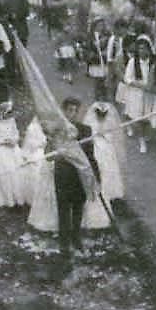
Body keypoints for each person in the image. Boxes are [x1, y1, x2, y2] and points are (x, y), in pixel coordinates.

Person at [53, 98, 99, 256]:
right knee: (64, 210)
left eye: (75, 111)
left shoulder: (85, 130)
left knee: (78, 209)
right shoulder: (57, 130)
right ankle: (64, 244)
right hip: (63, 176)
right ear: (64, 111)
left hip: (80, 176)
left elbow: (90, 155)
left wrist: (96, 177)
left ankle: (76, 238)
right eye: (69, 110)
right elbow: (48, 155)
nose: (72, 114)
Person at [83, 100, 125, 204]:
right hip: (96, 147)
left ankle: (109, 192)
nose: (101, 117)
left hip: (107, 148)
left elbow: (113, 136)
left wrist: (105, 136)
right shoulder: (91, 122)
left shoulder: (109, 122)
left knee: (109, 168)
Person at [0, 102, 24, 209]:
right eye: (8, 113)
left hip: (12, 150)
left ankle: (16, 199)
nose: (10, 115)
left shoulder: (12, 122)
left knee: (15, 173)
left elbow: (16, 134)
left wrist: (14, 140)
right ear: (2, 112)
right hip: (0, 150)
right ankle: (3, 200)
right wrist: (3, 141)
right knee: (4, 173)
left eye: (11, 113)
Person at [120, 36, 155, 155]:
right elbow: (127, 78)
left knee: (148, 117)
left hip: (149, 94)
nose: (142, 51)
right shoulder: (132, 62)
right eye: (140, 48)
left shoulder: (153, 62)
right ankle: (141, 141)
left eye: (145, 48)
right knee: (139, 117)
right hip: (136, 93)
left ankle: (146, 135)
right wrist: (140, 85)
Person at [23, 117, 58, 234]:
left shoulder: (55, 126)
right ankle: (43, 221)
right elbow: (32, 144)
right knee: (45, 188)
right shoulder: (34, 128)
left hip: (56, 158)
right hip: (44, 157)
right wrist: (44, 143)